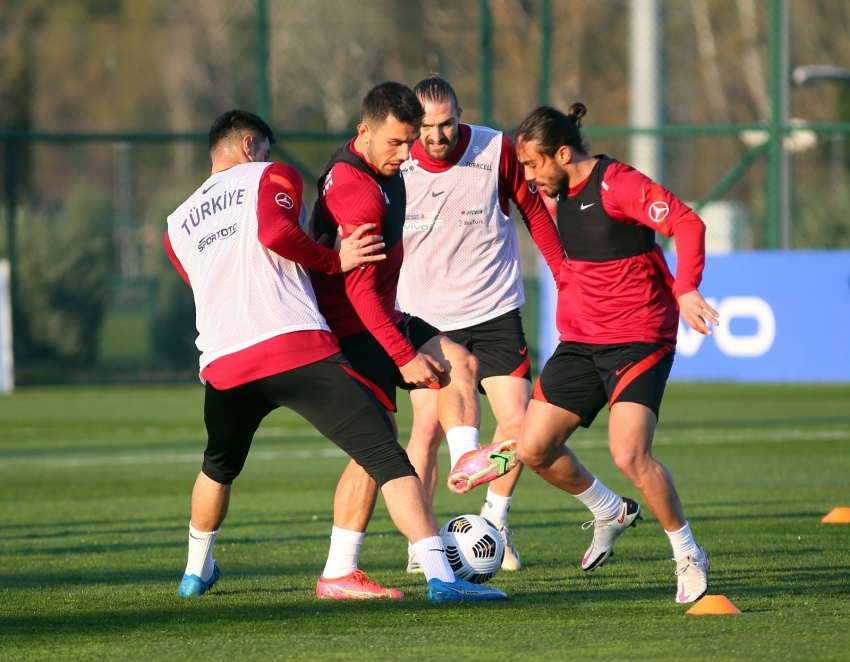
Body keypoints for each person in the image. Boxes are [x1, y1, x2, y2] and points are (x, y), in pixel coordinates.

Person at [164, 108, 506, 603]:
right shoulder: (270, 173)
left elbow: (201, 277)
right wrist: (333, 259)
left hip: (223, 361)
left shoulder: (177, 222)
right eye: (264, 148)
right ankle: (442, 579)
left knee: (218, 466)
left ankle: (195, 573)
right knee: (386, 454)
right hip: (292, 343)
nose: (268, 155)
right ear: (249, 146)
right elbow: (275, 232)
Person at [309, 82, 519, 599]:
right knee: (380, 452)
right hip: (355, 327)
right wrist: (403, 356)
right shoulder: (358, 191)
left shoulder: (382, 167)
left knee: (459, 364)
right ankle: (436, 578)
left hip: (384, 315)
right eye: (397, 144)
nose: (408, 155)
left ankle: (467, 461)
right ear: (364, 132)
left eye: (412, 142)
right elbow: (359, 294)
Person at [513, 103, 718, 603]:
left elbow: (688, 223)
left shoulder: (618, 183)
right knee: (532, 448)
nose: (530, 177)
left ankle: (687, 553)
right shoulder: (559, 190)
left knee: (628, 452)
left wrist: (686, 288)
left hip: (640, 336)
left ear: (563, 153)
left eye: (535, 164)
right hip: (583, 340)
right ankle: (609, 509)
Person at [395, 74, 566, 573]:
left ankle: (493, 523)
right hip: (426, 318)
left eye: (447, 124)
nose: (437, 136)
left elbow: (534, 212)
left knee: (519, 424)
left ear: (460, 113)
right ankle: (421, 539)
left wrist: (564, 277)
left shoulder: (495, 149)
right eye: (427, 127)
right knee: (426, 426)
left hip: (494, 311)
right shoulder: (396, 161)